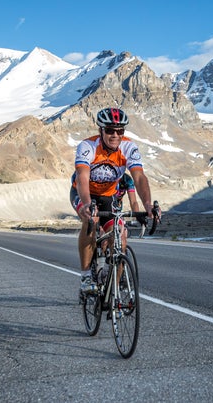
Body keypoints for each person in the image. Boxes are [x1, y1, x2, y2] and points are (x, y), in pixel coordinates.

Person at [70, 107, 156, 294]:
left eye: (120, 131)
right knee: (91, 221)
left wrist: (148, 205)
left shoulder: (128, 147)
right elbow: (83, 177)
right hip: (83, 193)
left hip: (108, 196)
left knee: (121, 235)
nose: (115, 135)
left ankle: (113, 289)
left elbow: (139, 177)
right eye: (110, 130)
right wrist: (86, 204)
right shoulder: (88, 147)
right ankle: (86, 277)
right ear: (101, 130)